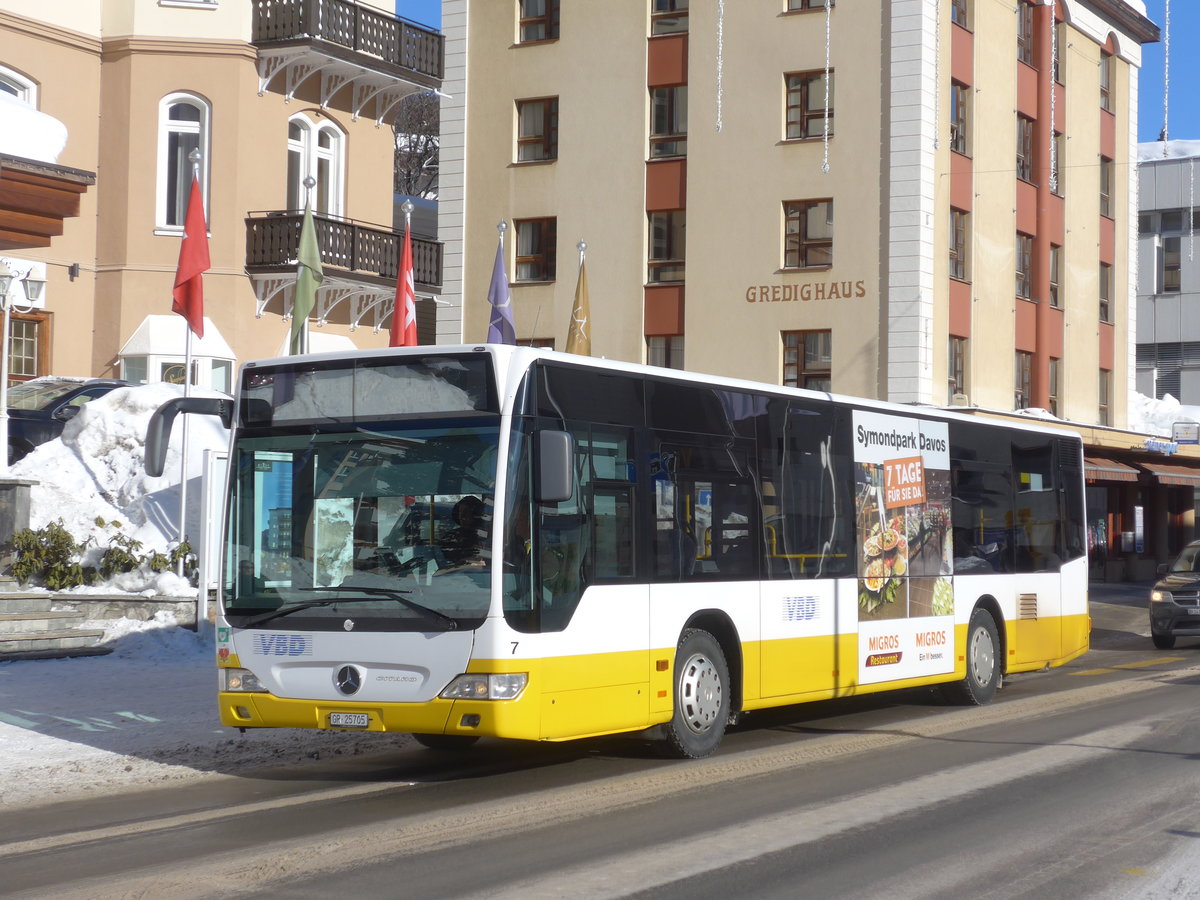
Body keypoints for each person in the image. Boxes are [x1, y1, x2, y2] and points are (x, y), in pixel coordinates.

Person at [440, 495, 488, 569]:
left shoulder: (490, 535)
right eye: (460, 512)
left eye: (466, 512)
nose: (462, 516)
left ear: (477, 515)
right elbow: (447, 560)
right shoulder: (451, 537)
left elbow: (498, 556)